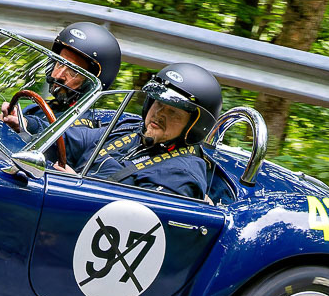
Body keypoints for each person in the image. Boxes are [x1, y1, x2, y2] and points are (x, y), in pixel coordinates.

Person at [68, 62, 224, 200]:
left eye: (173, 112)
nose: (159, 114)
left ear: (194, 125)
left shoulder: (181, 176)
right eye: (158, 103)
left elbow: (134, 213)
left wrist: (75, 185)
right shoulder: (131, 130)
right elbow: (72, 139)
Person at [0, 21, 122, 138]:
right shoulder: (35, 109)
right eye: (59, 63)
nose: (58, 75)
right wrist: (10, 119)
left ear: (90, 83)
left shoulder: (86, 129)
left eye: (73, 71)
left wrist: (28, 124)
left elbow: (67, 139)